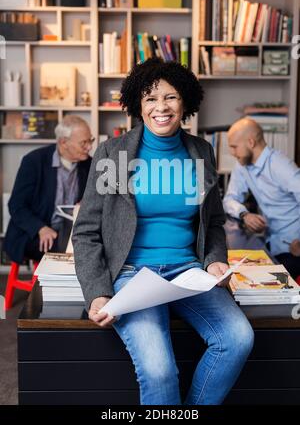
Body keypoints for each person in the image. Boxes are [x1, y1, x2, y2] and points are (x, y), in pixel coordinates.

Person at [72, 58, 254, 405]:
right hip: (132, 276)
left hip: (187, 273)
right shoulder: (114, 154)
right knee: (159, 370)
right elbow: (86, 232)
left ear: (184, 102)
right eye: (151, 98)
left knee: (238, 338)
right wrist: (97, 293)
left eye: (170, 98)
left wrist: (215, 261)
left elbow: (213, 221)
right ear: (138, 105)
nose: (161, 107)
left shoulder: (200, 152)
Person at [4, 115, 93, 263]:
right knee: (73, 250)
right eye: (84, 142)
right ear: (63, 142)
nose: (89, 147)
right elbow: (16, 205)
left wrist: (88, 203)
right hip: (36, 231)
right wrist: (41, 228)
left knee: (99, 246)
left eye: (91, 140)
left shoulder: (89, 164)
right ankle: (57, 285)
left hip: (73, 231)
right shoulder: (34, 161)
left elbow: (95, 200)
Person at [223, 117, 300, 280]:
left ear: (250, 142)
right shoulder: (242, 164)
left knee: (263, 284)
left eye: (234, 147)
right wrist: (245, 215)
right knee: (237, 275)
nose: (232, 152)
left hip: (293, 248)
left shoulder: (281, 165)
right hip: (271, 242)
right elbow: (229, 199)